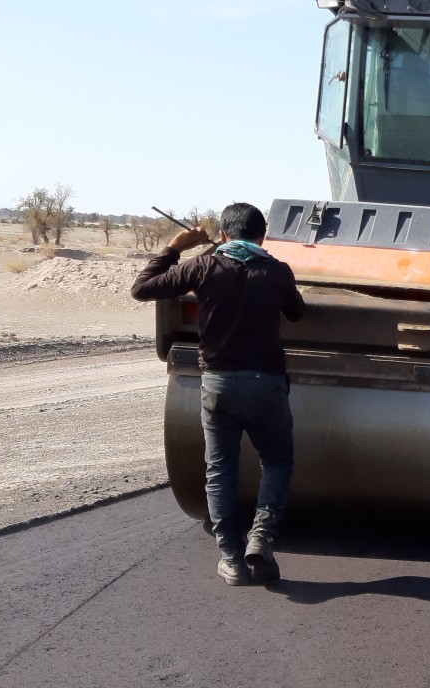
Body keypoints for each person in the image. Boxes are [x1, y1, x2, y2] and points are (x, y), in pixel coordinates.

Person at [131, 203, 306, 585]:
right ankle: (260, 538)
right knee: (276, 462)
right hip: (267, 385)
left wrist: (178, 246)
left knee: (220, 471)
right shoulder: (276, 271)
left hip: (218, 386)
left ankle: (231, 558)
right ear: (262, 236)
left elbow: (142, 288)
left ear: (223, 235)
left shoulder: (203, 267)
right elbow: (297, 312)